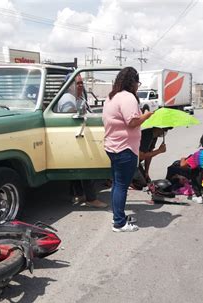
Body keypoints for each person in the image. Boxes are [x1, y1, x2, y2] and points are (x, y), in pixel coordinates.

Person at [103, 67, 152, 232]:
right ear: (132, 82)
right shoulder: (127, 98)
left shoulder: (112, 97)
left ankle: (118, 216)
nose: (138, 86)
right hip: (124, 148)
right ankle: (119, 223)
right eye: (137, 82)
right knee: (122, 185)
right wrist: (146, 115)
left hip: (114, 146)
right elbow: (132, 121)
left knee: (117, 184)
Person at [58, 74, 107, 208]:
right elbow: (71, 115)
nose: (81, 86)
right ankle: (91, 198)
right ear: (69, 85)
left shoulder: (78, 97)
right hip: (75, 135)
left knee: (77, 168)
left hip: (77, 136)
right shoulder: (67, 98)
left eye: (81, 83)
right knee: (87, 167)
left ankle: (79, 195)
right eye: (78, 83)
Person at [166, 131, 203, 204]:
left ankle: (198, 196)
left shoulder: (200, 154)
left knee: (194, 170)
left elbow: (183, 165)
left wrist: (182, 158)